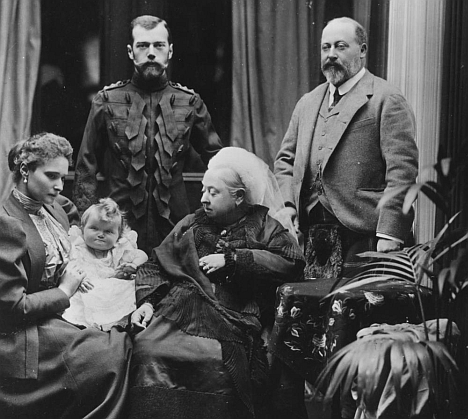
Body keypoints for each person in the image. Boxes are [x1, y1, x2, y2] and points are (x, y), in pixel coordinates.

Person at [128, 147, 305, 419]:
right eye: (203, 190)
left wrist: (235, 260)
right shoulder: (191, 223)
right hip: (179, 308)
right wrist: (147, 303)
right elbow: (157, 262)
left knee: (215, 359)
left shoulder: (263, 225)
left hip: (233, 313)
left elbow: (291, 262)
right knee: (147, 348)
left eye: (213, 192)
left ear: (238, 197)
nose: (203, 199)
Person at [274, 17, 419, 280]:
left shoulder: (386, 99)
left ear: (362, 51)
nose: (331, 55)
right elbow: (285, 160)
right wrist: (288, 204)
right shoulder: (307, 103)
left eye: (340, 47)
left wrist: (390, 233)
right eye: (325, 47)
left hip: (365, 236)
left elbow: (403, 173)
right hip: (311, 238)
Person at [0, 133, 132, 419]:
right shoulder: (7, 223)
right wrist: (64, 290)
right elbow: (11, 308)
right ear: (25, 171)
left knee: (127, 336)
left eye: (63, 176)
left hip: (62, 313)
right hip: (26, 331)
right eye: (51, 176)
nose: (60, 185)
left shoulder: (55, 209)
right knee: (110, 352)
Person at [73, 15, 224, 255]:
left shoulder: (190, 102)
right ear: (131, 52)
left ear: (170, 51)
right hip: (118, 228)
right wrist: (85, 222)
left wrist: (217, 217)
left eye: (159, 45)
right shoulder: (106, 101)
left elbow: (219, 164)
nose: (151, 53)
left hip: (176, 228)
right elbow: (85, 167)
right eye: (143, 46)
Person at [62, 197, 148, 330]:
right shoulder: (77, 247)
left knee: (129, 289)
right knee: (78, 299)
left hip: (113, 291)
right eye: (94, 228)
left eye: (108, 231)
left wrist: (134, 265)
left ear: (118, 235)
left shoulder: (118, 250)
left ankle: (115, 323)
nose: (100, 234)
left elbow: (142, 255)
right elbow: (67, 266)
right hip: (87, 289)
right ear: (83, 228)